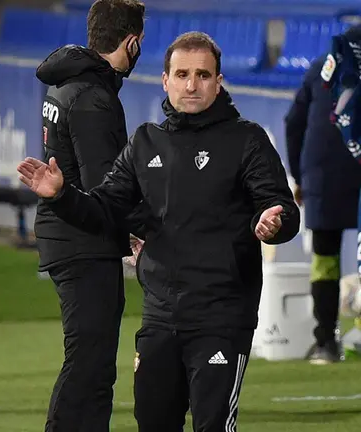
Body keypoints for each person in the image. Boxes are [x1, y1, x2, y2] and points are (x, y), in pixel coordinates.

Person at [18, 32, 300, 431]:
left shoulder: (246, 140)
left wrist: (275, 223)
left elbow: (281, 207)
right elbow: (104, 209)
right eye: (182, 74)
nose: (191, 84)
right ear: (164, 80)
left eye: (203, 75)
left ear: (218, 83)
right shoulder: (145, 142)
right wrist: (63, 195)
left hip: (221, 317)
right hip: (160, 318)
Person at [32, 1, 146, 430]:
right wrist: (139, 228)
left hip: (68, 233)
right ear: (131, 42)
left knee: (88, 363)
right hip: (83, 241)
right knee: (90, 369)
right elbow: (107, 185)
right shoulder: (95, 97)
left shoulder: (66, 82)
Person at [284, 24, 361, 365]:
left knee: (325, 259)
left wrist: (301, 177)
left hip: (323, 171)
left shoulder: (320, 68)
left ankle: (326, 343)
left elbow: (292, 120)